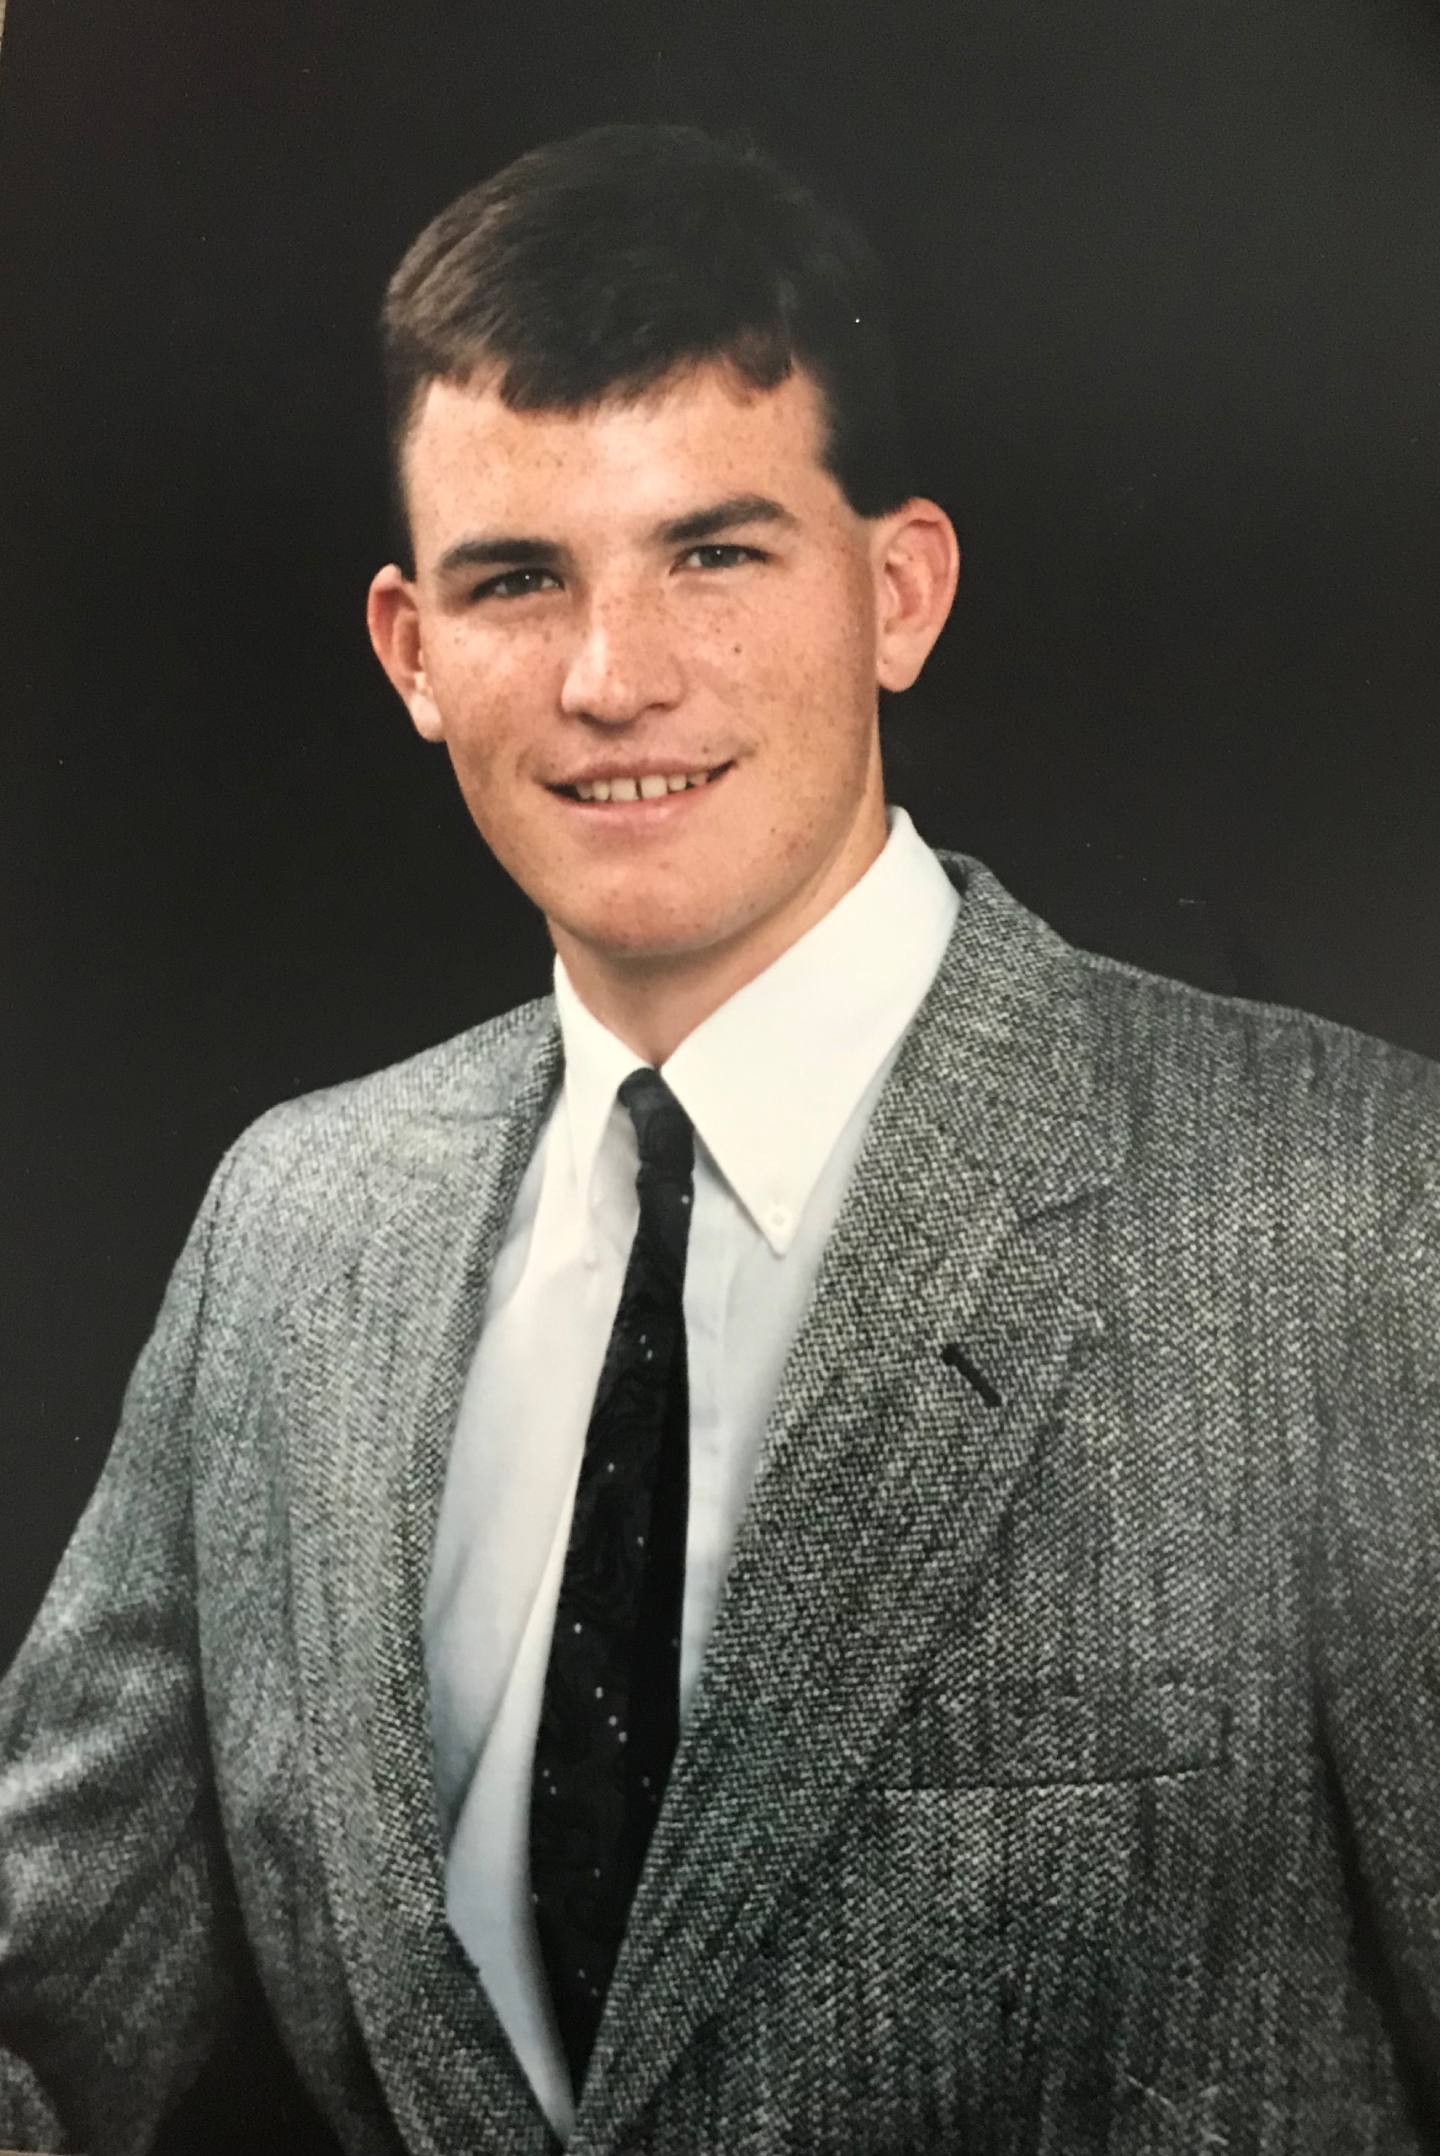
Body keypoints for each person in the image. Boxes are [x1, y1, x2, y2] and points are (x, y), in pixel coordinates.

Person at [1, 118, 1437, 2156]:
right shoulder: (297, 1228)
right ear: (413, 652)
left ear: (898, 591)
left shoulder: (1354, 1210)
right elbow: (34, 2012)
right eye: (518, 581)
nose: (614, 677)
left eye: (715, 550)